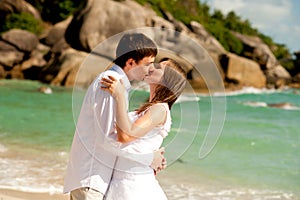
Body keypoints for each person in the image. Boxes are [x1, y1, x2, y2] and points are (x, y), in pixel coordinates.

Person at [63, 33, 167, 200]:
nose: (151, 69)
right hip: (91, 178)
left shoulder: (118, 86)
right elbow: (108, 140)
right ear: (131, 62)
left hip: (95, 179)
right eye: (147, 64)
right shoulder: (110, 83)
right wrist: (148, 158)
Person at [100, 58, 187, 200]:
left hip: (135, 188)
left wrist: (120, 97)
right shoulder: (149, 108)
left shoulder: (160, 109)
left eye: (158, 67)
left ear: (167, 81)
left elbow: (126, 136)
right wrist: (149, 158)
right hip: (123, 184)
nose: (151, 67)